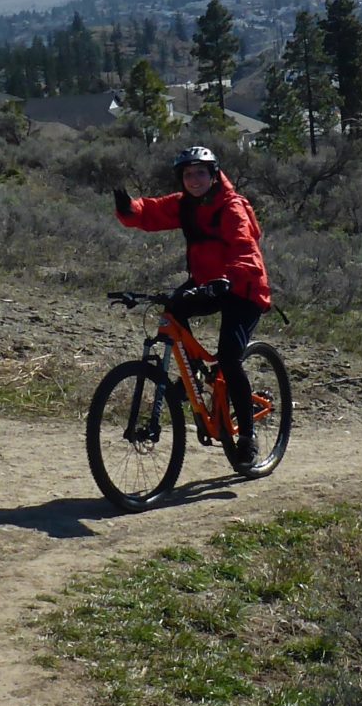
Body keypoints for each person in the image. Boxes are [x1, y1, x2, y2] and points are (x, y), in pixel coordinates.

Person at [113, 145, 273, 469]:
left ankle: (247, 437)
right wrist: (128, 209)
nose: (194, 178)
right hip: (209, 282)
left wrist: (231, 277)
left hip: (243, 286)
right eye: (188, 174)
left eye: (200, 172)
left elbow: (244, 247)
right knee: (173, 310)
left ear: (214, 175)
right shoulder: (185, 205)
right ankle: (195, 376)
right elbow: (152, 212)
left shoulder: (231, 207)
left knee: (229, 357)